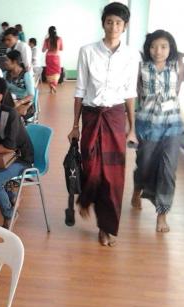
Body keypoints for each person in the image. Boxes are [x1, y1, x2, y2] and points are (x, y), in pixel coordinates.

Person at [67, 2, 140, 247]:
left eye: (118, 23)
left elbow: (130, 92)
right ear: (103, 23)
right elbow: (79, 90)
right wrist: (75, 125)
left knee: (114, 176)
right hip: (90, 116)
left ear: (125, 26)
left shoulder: (131, 55)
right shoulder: (87, 51)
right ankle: (92, 207)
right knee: (92, 169)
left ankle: (106, 227)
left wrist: (132, 127)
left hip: (116, 117)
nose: (113, 26)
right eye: (109, 21)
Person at [132, 30, 184, 232]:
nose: (158, 51)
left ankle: (161, 214)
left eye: (164, 46)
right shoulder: (141, 68)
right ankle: (137, 189)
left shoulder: (178, 67)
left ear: (171, 48)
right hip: (146, 125)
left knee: (168, 170)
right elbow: (128, 92)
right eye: (154, 46)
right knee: (144, 165)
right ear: (148, 48)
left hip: (172, 126)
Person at [0, 77, 34, 228]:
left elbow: (9, 147)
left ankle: (10, 214)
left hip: (21, 159)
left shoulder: (10, 114)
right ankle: (11, 196)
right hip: (4, 158)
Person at [4, 50, 35, 119]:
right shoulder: (6, 74)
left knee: (11, 116)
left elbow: (31, 95)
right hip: (11, 102)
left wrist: (19, 102)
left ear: (14, 62)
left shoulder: (26, 75)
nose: (5, 62)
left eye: (7, 60)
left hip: (25, 103)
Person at [42, 26, 64, 94]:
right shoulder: (59, 39)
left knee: (49, 72)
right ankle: (53, 85)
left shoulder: (47, 40)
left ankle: (51, 87)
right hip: (56, 57)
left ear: (49, 32)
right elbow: (61, 49)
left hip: (48, 57)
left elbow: (43, 50)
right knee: (57, 72)